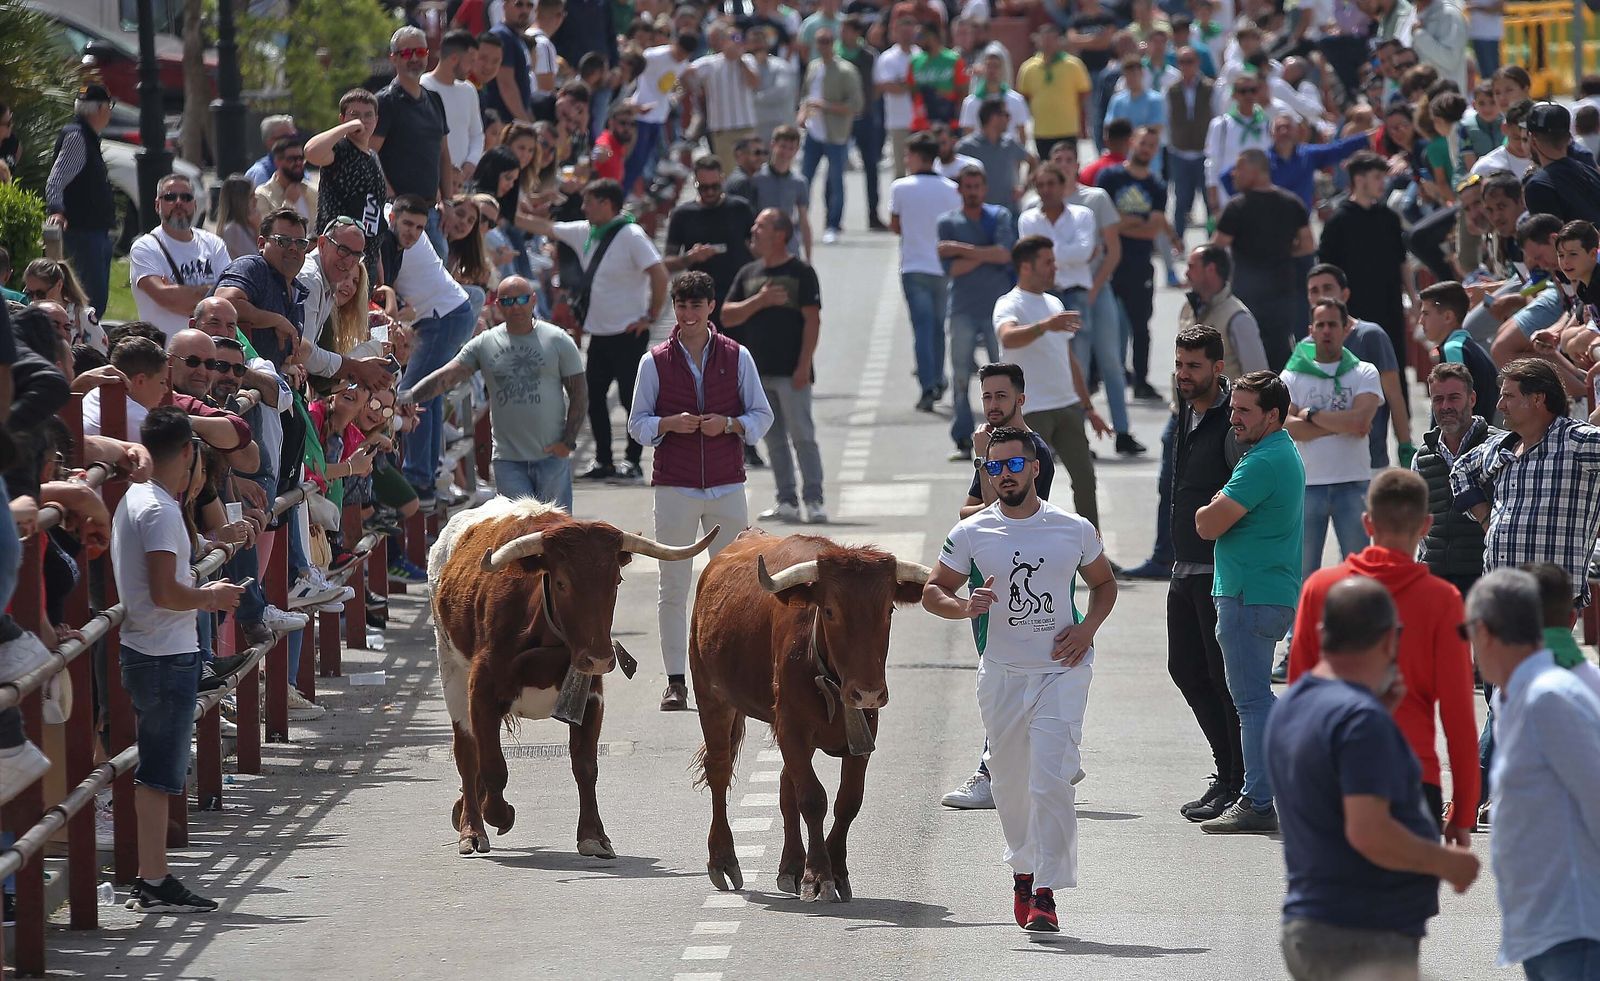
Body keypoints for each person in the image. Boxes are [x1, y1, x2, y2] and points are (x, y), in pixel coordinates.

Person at [922, 425, 1119, 933]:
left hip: (1062, 670)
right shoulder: (971, 532)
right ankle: (1023, 873)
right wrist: (966, 606)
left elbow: (1103, 584)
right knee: (1010, 786)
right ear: (985, 473)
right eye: (994, 467)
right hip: (1003, 675)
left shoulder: (1072, 528)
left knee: (1050, 778)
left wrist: (1086, 629)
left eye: (1013, 465)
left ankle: (1047, 894)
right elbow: (932, 591)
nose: (1004, 475)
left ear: (1034, 468)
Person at [1268, 576, 1481, 981]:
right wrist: (1446, 862)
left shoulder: (1293, 705)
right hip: (1363, 932)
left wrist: (1376, 710)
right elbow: (1369, 832)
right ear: (1390, 639)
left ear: (1321, 632)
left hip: (1316, 921)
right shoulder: (1360, 721)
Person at [1288, 469, 1481, 842]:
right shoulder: (1443, 601)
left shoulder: (1321, 589)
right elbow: (1458, 713)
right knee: (1407, 900)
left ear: (1367, 522)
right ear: (1426, 525)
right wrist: (1463, 808)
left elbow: (1300, 700)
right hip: (1413, 778)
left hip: (1337, 777)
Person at [112, 407, 244, 913]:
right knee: (161, 771)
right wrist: (213, 598)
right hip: (164, 653)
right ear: (189, 453)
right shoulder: (163, 510)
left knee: (159, 769)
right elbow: (167, 591)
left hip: (147, 647)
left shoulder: (138, 498)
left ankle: (152, 874)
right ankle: (153, 877)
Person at [627, 271, 772, 711]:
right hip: (675, 486)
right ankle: (676, 679)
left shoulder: (737, 355)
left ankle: (736, 673)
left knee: (737, 585)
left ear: (711, 307)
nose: (688, 314)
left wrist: (728, 424)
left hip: (727, 484)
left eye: (696, 305)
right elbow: (637, 425)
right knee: (673, 585)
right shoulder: (654, 361)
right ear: (674, 308)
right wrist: (667, 425)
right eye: (681, 305)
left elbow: (761, 416)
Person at [1465, 568, 1600, 976]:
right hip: (1547, 922)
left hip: (1572, 925)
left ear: (1487, 632)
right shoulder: (1523, 695)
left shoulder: (1547, 699)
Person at [941, 362, 1064, 808]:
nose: (992, 406)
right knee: (1006, 682)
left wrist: (981, 461)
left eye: (1001, 397)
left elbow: (1003, 512)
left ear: (1021, 399)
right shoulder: (995, 450)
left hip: (1023, 583)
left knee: (1007, 682)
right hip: (990, 583)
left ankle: (991, 773)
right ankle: (1053, 756)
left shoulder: (1032, 454)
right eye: (987, 397)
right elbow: (966, 512)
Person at [1194, 370, 1303, 834]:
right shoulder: (1277, 451)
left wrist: (1214, 504)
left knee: (1252, 702)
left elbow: (1207, 524)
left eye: (1244, 411)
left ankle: (1258, 801)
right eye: (1233, 408)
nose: (1233, 418)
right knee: (1256, 700)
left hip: (1248, 595)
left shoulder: (1261, 461)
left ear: (1272, 415)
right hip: (1263, 592)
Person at [1159, 326, 1247, 823]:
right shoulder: (1186, 409)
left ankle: (1239, 781)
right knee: (1185, 669)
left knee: (1222, 677)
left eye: (1194, 366)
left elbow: (1243, 487)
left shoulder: (1232, 419)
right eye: (1179, 364)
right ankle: (1227, 772)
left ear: (1218, 367)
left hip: (1219, 567)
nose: (1184, 374)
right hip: (1184, 564)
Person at [400, 276, 586, 509]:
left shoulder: (558, 339)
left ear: (533, 300)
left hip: (551, 458)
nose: (516, 306)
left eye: (522, 299)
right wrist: (407, 397)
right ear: (498, 306)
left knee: (557, 534)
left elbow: (579, 393)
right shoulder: (485, 343)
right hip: (508, 461)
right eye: (508, 301)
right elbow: (446, 377)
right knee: (515, 534)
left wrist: (567, 443)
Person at [526, 179, 668, 481]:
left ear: (606, 204)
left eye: (589, 201)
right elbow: (543, 228)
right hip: (599, 334)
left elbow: (659, 272)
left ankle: (633, 462)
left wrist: (652, 315)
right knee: (593, 398)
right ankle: (604, 460)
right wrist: (520, 203)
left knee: (633, 401)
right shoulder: (586, 231)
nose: (583, 207)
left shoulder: (631, 234)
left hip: (629, 334)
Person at [1451, 358, 1600, 608]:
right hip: (1499, 595)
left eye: (1508, 396)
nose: (1500, 405)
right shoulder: (1502, 445)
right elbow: (1460, 472)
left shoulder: (1577, 442)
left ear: (1537, 399)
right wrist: (1486, 519)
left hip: (1549, 603)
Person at [720, 209, 826, 524]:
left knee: (802, 436)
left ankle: (815, 499)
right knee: (774, 439)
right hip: (757, 374)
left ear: (780, 234)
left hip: (792, 373)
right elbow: (726, 315)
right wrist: (759, 302)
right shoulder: (748, 273)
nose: (754, 230)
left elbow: (812, 320)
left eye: (761, 225)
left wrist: (804, 365)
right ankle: (787, 500)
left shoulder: (801, 272)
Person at [995, 236, 1108, 529]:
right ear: (1026, 267)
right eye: (1048, 262)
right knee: (1032, 488)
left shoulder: (1053, 302)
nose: (1054, 268)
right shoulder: (1009, 303)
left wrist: (1088, 406)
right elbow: (1007, 336)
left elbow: (1068, 358)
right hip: (1033, 412)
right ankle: (1031, 549)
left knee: (1085, 481)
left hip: (1067, 406)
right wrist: (1046, 326)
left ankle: (1093, 550)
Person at [384, 196, 477, 506]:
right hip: (450, 312)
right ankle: (429, 474)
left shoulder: (384, 231)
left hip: (443, 316)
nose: (412, 231)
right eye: (407, 224)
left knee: (415, 394)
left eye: (417, 226)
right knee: (429, 396)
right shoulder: (385, 229)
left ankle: (420, 478)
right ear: (394, 216)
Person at [1281, 297, 1381, 582]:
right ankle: (1299, 627)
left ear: (1345, 329)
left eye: (1333, 325)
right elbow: (1286, 428)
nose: (1326, 331)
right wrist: (1344, 423)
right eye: (1321, 325)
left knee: (1358, 570)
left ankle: (1356, 625)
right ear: (1311, 330)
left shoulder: (1364, 372)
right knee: (1301, 571)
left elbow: (1361, 421)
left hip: (1353, 483)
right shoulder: (1292, 375)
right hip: (1308, 485)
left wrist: (1309, 414)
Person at [937, 165, 1016, 459]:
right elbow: (953, 269)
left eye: (976, 187)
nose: (972, 192)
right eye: (967, 187)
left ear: (984, 189)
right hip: (962, 309)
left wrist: (961, 249)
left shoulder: (999, 216)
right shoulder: (947, 222)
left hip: (998, 311)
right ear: (960, 189)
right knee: (960, 376)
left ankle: (1007, 434)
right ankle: (962, 437)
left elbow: (1005, 254)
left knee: (1005, 375)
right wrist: (987, 254)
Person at [1305, 263, 1414, 471]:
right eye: (1314, 291)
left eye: (1327, 288)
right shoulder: (1305, 347)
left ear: (1345, 294)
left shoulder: (1370, 336)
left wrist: (1405, 446)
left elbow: (1394, 396)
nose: (1320, 296)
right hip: (1320, 468)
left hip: (1369, 463)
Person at [1212, 148, 1312, 371]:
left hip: (1246, 296)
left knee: (1244, 359)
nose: (1233, 174)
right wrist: (1284, 252)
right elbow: (1307, 244)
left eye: (1239, 168)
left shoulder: (1237, 206)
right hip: (1283, 294)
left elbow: (1216, 247)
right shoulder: (1292, 202)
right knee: (1279, 354)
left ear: (1255, 171)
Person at [1318, 152, 1410, 380]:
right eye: (1377, 177)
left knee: (1394, 371)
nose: (1383, 183)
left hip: (1390, 308)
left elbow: (1402, 261)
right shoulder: (1337, 222)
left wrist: (1413, 298)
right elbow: (1326, 271)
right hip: (1353, 313)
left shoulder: (1388, 217)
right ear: (1359, 180)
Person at [1413, 363, 1501, 597]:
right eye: (1437, 399)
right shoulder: (1422, 457)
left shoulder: (1498, 448)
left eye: (1454, 398)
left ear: (1472, 399)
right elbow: (1418, 525)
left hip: (1484, 580)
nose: (1445, 407)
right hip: (1436, 579)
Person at [1096, 125, 1169, 401]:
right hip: (1108, 262)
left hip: (1140, 264)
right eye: (1143, 143)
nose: (1146, 149)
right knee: (1104, 323)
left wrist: (1121, 222)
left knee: (1141, 326)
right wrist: (1137, 221)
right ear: (1131, 143)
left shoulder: (1157, 185)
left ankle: (1141, 380)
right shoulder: (1110, 177)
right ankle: (1096, 375)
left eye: (1152, 145)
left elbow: (1154, 228)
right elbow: (1103, 222)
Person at [890, 132, 961, 413]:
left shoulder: (901, 187)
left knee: (922, 327)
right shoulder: (951, 188)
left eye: (908, 155)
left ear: (918, 156)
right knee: (937, 326)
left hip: (913, 265)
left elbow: (895, 224)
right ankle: (938, 377)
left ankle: (928, 383)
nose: (906, 160)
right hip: (942, 267)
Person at [373, 26, 457, 256]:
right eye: (406, 53)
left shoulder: (435, 99)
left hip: (431, 213)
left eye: (420, 52)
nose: (414, 59)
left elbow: (444, 154)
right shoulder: (385, 102)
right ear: (394, 58)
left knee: (439, 283)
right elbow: (371, 153)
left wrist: (448, 203)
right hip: (401, 216)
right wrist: (390, 195)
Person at [44, 83, 116, 316]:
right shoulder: (77, 137)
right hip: (83, 235)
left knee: (95, 301)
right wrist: (56, 209)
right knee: (89, 303)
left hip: (95, 233)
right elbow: (56, 180)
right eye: (109, 106)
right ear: (101, 109)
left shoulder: (87, 136)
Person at [128, 175, 231, 338]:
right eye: (170, 197)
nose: (178, 202)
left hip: (213, 351)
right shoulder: (145, 247)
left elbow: (230, 295)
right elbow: (167, 298)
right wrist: (213, 289)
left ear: (195, 205)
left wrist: (181, 292)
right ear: (157, 205)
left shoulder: (214, 243)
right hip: (168, 353)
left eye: (186, 197)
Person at [305, 89, 390, 282]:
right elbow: (311, 152)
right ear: (342, 118)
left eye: (368, 115)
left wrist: (377, 259)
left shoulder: (373, 156)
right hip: (338, 252)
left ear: (376, 119)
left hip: (365, 256)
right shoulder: (339, 150)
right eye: (354, 114)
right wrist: (348, 127)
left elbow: (374, 208)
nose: (362, 121)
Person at [662, 156, 757, 316]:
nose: (710, 192)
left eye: (715, 186)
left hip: (739, 295)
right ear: (695, 184)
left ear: (723, 180)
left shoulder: (740, 208)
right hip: (701, 299)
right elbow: (667, 262)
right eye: (704, 188)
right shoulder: (682, 215)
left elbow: (759, 249)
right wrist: (690, 258)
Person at [798, 28, 863, 244]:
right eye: (819, 41)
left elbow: (855, 105)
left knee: (835, 181)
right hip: (813, 133)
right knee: (804, 179)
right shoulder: (813, 67)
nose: (822, 45)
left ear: (833, 43)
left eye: (826, 41)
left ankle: (833, 224)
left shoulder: (846, 71)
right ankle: (800, 224)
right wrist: (802, 114)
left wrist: (825, 106)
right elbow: (806, 96)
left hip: (836, 134)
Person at [728, 126, 813, 261]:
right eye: (783, 146)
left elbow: (803, 220)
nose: (786, 152)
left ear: (797, 150)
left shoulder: (799, 182)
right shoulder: (756, 177)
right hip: (761, 248)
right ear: (773, 145)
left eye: (791, 148)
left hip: (789, 248)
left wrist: (808, 257)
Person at [688, 23, 760, 171]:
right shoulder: (710, 63)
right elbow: (687, 72)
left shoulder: (748, 60)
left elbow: (754, 83)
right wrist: (695, 89)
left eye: (737, 38)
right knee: (728, 172)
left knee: (751, 169)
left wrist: (739, 60)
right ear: (723, 41)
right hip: (722, 130)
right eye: (730, 38)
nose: (734, 42)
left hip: (745, 127)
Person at [1418, 281, 1498, 414]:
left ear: (1448, 317)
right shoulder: (1465, 345)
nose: (1420, 320)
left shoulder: (1453, 349)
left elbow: (1455, 411)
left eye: (1426, 313)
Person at [838, 16, 887, 230]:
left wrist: (864, 105)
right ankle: (834, 219)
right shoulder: (836, 55)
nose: (842, 34)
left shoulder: (869, 55)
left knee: (871, 167)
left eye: (847, 30)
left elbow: (876, 86)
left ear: (856, 33)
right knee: (835, 167)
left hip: (865, 118)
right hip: (839, 119)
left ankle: (873, 215)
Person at [1016, 24, 1091, 159]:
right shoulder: (1028, 67)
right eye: (1044, 39)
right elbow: (1024, 96)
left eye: (1052, 39)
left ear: (1058, 41)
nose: (1048, 43)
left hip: (1067, 129)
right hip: (1042, 130)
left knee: (1067, 169)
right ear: (1038, 40)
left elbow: (1083, 92)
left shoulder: (1073, 65)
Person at [423, 29, 487, 188]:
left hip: (462, 183)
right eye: (470, 61)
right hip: (432, 182)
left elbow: (477, 134)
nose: (472, 67)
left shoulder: (469, 90)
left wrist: (471, 163)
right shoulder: (423, 87)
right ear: (453, 58)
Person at [1165, 46, 1214, 252]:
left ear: (1198, 63)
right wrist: (1172, 146)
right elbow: (1167, 120)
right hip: (1181, 153)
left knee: (1210, 201)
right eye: (1182, 62)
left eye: (1190, 61)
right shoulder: (1171, 90)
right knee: (1181, 202)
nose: (1187, 66)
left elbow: (1217, 115)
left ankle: (1214, 242)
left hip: (1204, 154)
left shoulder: (1211, 87)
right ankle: (1178, 243)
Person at [1521, 102, 1600, 225]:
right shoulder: (1590, 172)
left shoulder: (1539, 185)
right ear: (1569, 138)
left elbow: (1548, 240)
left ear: (1532, 139)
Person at [1202, 74, 1271, 215]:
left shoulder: (1267, 124)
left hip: (1261, 193)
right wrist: (1214, 201)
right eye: (1243, 91)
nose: (1248, 95)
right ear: (1234, 95)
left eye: (1253, 90)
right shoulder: (1221, 125)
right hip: (1229, 193)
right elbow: (1212, 164)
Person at [955, 100, 1034, 213]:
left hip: (1009, 212)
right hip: (978, 214)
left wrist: (1024, 187)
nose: (1009, 119)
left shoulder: (1010, 143)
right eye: (1006, 115)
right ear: (994, 117)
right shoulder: (966, 147)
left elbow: (1033, 161)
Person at [874, 11, 920, 180]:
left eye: (910, 31)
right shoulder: (888, 58)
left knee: (920, 168)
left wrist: (904, 84)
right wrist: (912, 84)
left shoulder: (921, 56)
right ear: (895, 32)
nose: (907, 35)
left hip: (920, 120)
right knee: (900, 169)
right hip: (898, 121)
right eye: (903, 31)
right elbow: (887, 86)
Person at [252, 138, 318, 224]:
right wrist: (289, 203)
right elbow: (267, 231)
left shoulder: (313, 191)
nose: (298, 163)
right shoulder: (262, 195)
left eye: (301, 158)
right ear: (277, 162)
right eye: (292, 159)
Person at [245, 115, 298, 186]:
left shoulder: (300, 169)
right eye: (286, 137)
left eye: (294, 137)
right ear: (269, 142)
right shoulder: (260, 173)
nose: (292, 141)